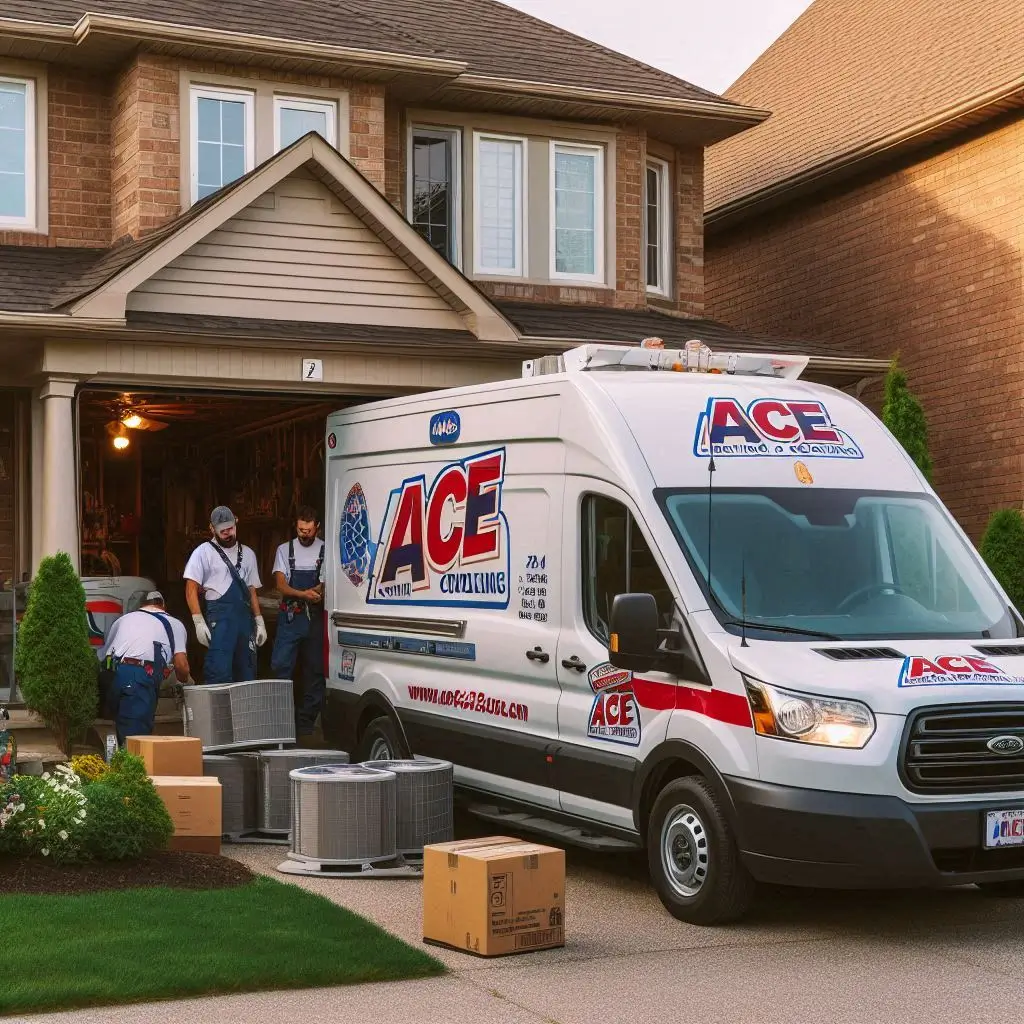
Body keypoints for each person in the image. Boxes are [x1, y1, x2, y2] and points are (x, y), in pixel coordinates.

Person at [184, 506, 266, 685]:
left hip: (244, 621)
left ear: (236, 522)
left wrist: (259, 620)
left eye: (231, 528)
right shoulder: (203, 552)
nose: (228, 534)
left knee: (246, 674)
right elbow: (190, 589)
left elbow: (251, 590)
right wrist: (198, 621)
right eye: (223, 531)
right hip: (220, 619)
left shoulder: (248, 554)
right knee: (219, 673)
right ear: (212, 529)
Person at [100, 591, 191, 746]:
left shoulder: (123, 619)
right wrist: (185, 681)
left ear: (142, 605)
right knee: (136, 740)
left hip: (111, 676)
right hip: (138, 678)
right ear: (163, 605)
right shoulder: (174, 623)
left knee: (123, 728)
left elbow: (103, 654)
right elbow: (181, 665)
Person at [269, 506, 326, 737]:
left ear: (317, 528)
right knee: (281, 666)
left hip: (315, 618)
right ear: (296, 526)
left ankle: (306, 723)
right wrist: (303, 594)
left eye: (309, 531)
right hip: (291, 616)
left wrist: (318, 591)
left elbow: (327, 581)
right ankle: (282, 722)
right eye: (301, 530)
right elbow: (280, 584)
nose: (304, 534)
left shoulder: (325, 549)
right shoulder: (284, 549)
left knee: (315, 669)